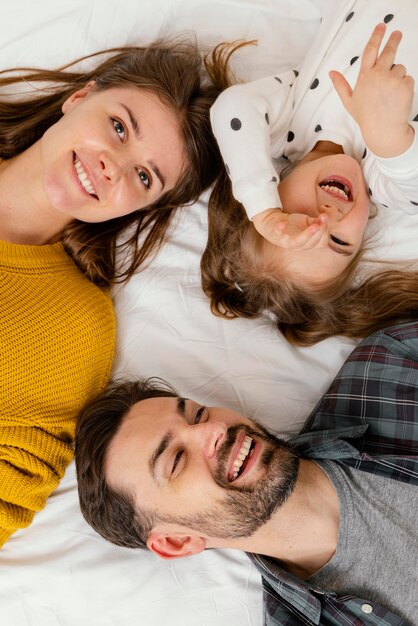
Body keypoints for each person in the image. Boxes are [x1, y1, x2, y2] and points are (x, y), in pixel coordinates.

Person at [0, 39, 231, 547]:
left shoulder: (74, 327)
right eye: (120, 127)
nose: (114, 166)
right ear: (80, 98)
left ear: (140, 207)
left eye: (145, 176)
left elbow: (7, 495)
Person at [76, 320, 418, 626]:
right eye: (177, 459)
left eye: (197, 415)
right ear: (178, 542)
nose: (213, 431)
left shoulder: (392, 367)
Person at [202, 0, 418, 345]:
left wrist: (264, 211)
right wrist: (387, 134)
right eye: (338, 241)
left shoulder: (288, 124)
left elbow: (231, 109)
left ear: (274, 185)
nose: (328, 216)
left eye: (299, 218)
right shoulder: (382, 181)